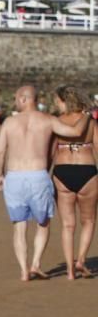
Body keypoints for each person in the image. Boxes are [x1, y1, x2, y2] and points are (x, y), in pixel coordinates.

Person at [0, 85, 88, 282]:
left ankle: (23, 270)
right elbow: (75, 131)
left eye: (15, 98)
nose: (14, 102)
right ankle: (36, 264)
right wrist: (87, 114)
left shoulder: (10, 122)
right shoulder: (48, 120)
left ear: (23, 99)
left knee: (19, 226)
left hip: (14, 175)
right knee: (43, 223)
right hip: (38, 175)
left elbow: (1, 151)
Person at [50, 85, 97, 280]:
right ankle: (81, 260)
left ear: (64, 101)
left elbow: (51, 150)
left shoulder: (57, 121)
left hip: (62, 171)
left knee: (68, 225)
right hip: (87, 170)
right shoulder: (91, 123)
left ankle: (69, 270)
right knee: (88, 221)